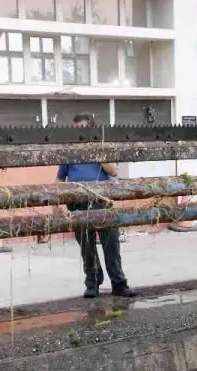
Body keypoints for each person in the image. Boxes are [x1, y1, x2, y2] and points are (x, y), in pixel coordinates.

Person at [57, 113, 137, 299]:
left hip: (102, 203)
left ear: (92, 130)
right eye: (77, 130)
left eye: (84, 129)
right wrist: (59, 201)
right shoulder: (70, 152)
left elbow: (114, 171)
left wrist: (97, 153)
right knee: (87, 247)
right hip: (77, 205)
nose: (81, 134)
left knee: (111, 246)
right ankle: (93, 284)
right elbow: (60, 178)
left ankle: (119, 284)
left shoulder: (102, 149)